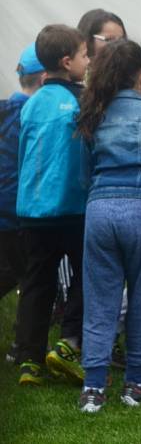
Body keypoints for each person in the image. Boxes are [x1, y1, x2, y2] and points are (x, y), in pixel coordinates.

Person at [74, 39, 141, 413]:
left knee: (100, 300)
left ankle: (92, 388)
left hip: (101, 211)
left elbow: (81, 175)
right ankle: (136, 382)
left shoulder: (93, 114)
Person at [14, 25, 90, 386]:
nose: (88, 61)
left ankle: (29, 360)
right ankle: (67, 342)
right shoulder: (81, 101)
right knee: (86, 274)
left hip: (32, 208)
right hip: (72, 207)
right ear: (67, 61)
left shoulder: (30, 105)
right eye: (84, 55)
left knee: (36, 283)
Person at [0, 45, 45, 308]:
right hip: (15, 212)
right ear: (44, 79)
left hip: (7, 210)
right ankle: (25, 343)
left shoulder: (6, 108)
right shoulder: (31, 114)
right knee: (26, 276)